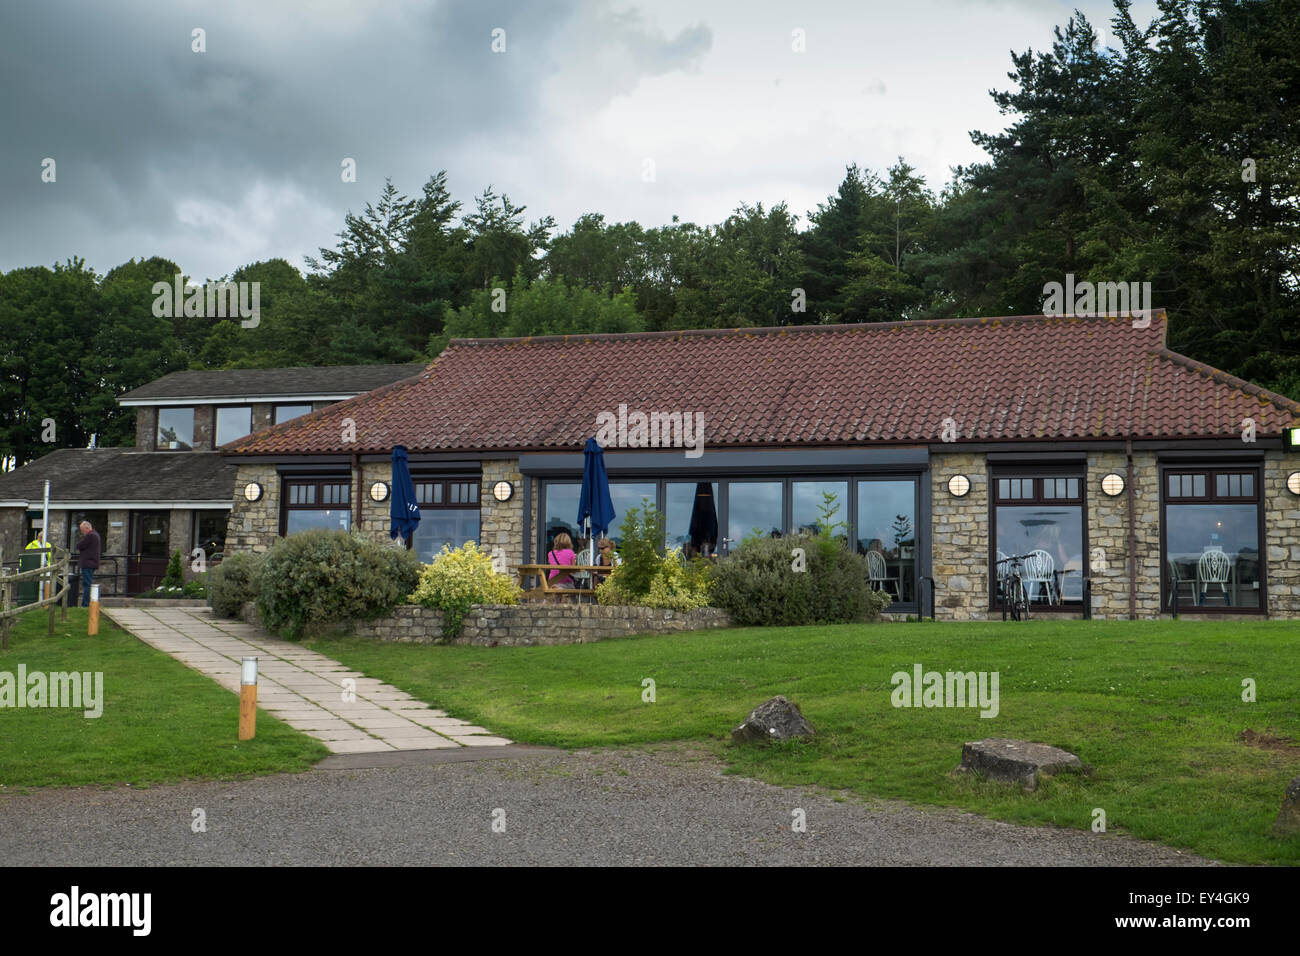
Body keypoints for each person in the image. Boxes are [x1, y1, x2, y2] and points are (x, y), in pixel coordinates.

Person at [73, 520, 101, 607]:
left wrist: (80, 544)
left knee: (87, 584)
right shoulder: (95, 534)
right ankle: (87, 603)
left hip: (88, 563)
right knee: (88, 583)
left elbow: (79, 545)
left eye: (82, 530)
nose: (82, 532)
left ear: (87, 528)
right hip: (92, 563)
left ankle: (85, 604)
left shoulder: (90, 535)